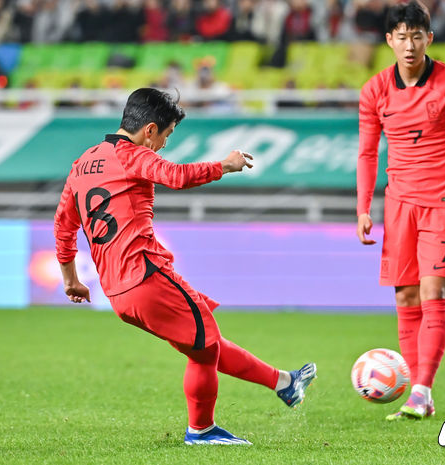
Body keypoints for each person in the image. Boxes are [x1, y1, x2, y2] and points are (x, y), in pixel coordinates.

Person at [54, 88, 317, 445]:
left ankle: (285, 382)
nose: (164, 144)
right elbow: (176, 176)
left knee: (203, 342)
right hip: (146, 275)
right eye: (166, 135)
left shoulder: (84, 162)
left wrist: (71, 280)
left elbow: (63, 224)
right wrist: (225, 165)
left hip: (117, 290)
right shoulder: (131, 155)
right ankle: (202, 430)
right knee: (205, 344)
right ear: (149, 130)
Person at [356, 1, 445, 421]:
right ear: (389, 40)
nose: (409, 45)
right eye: (401, 36)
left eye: (417, 36)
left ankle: (423, 390)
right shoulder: (374, 90)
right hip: (399, 206)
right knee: (406, 295)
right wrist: (363, 208)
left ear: (429, 38)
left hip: (444, 204)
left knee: (434, 292)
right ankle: (417, 394)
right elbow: (367, 153)